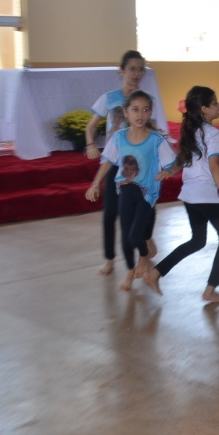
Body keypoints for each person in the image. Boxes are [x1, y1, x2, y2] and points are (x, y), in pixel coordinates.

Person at [143, 87, 219, 303]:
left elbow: (183, 159)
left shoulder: (192, 130)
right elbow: (214, 167)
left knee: (197, 240)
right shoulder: (211, 133)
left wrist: (170, 171)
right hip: (206, 195)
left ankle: (155, 273)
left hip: (189, 195)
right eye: (215, 103)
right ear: (204, 109)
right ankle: (210, 290)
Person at [86, 90, 175, 292]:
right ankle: (129, 270)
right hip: (125, 191)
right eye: (135, 110)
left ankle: (143, 255)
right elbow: (107, 161)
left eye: (145, 110)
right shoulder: (118, 138)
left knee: (136, 237)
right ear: (125, 112)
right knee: (125, 238)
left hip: (146, 193)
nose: (140, 114)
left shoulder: (155, 140)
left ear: (150, 113)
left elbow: (173, 161)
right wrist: (95, 184)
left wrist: (168, 171)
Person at [84, 50, 158, 276]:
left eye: (140, 69)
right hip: (116, 161)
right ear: (122, 70)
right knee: (110, 213)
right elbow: (91, 126)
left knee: (147, 205)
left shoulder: (146, 100)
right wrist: (90, 144)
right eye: (132, 68)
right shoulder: (109, 97)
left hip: (140, 163)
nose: (136, 73)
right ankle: (109, 259)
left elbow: (152, 128)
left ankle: (145, 240)